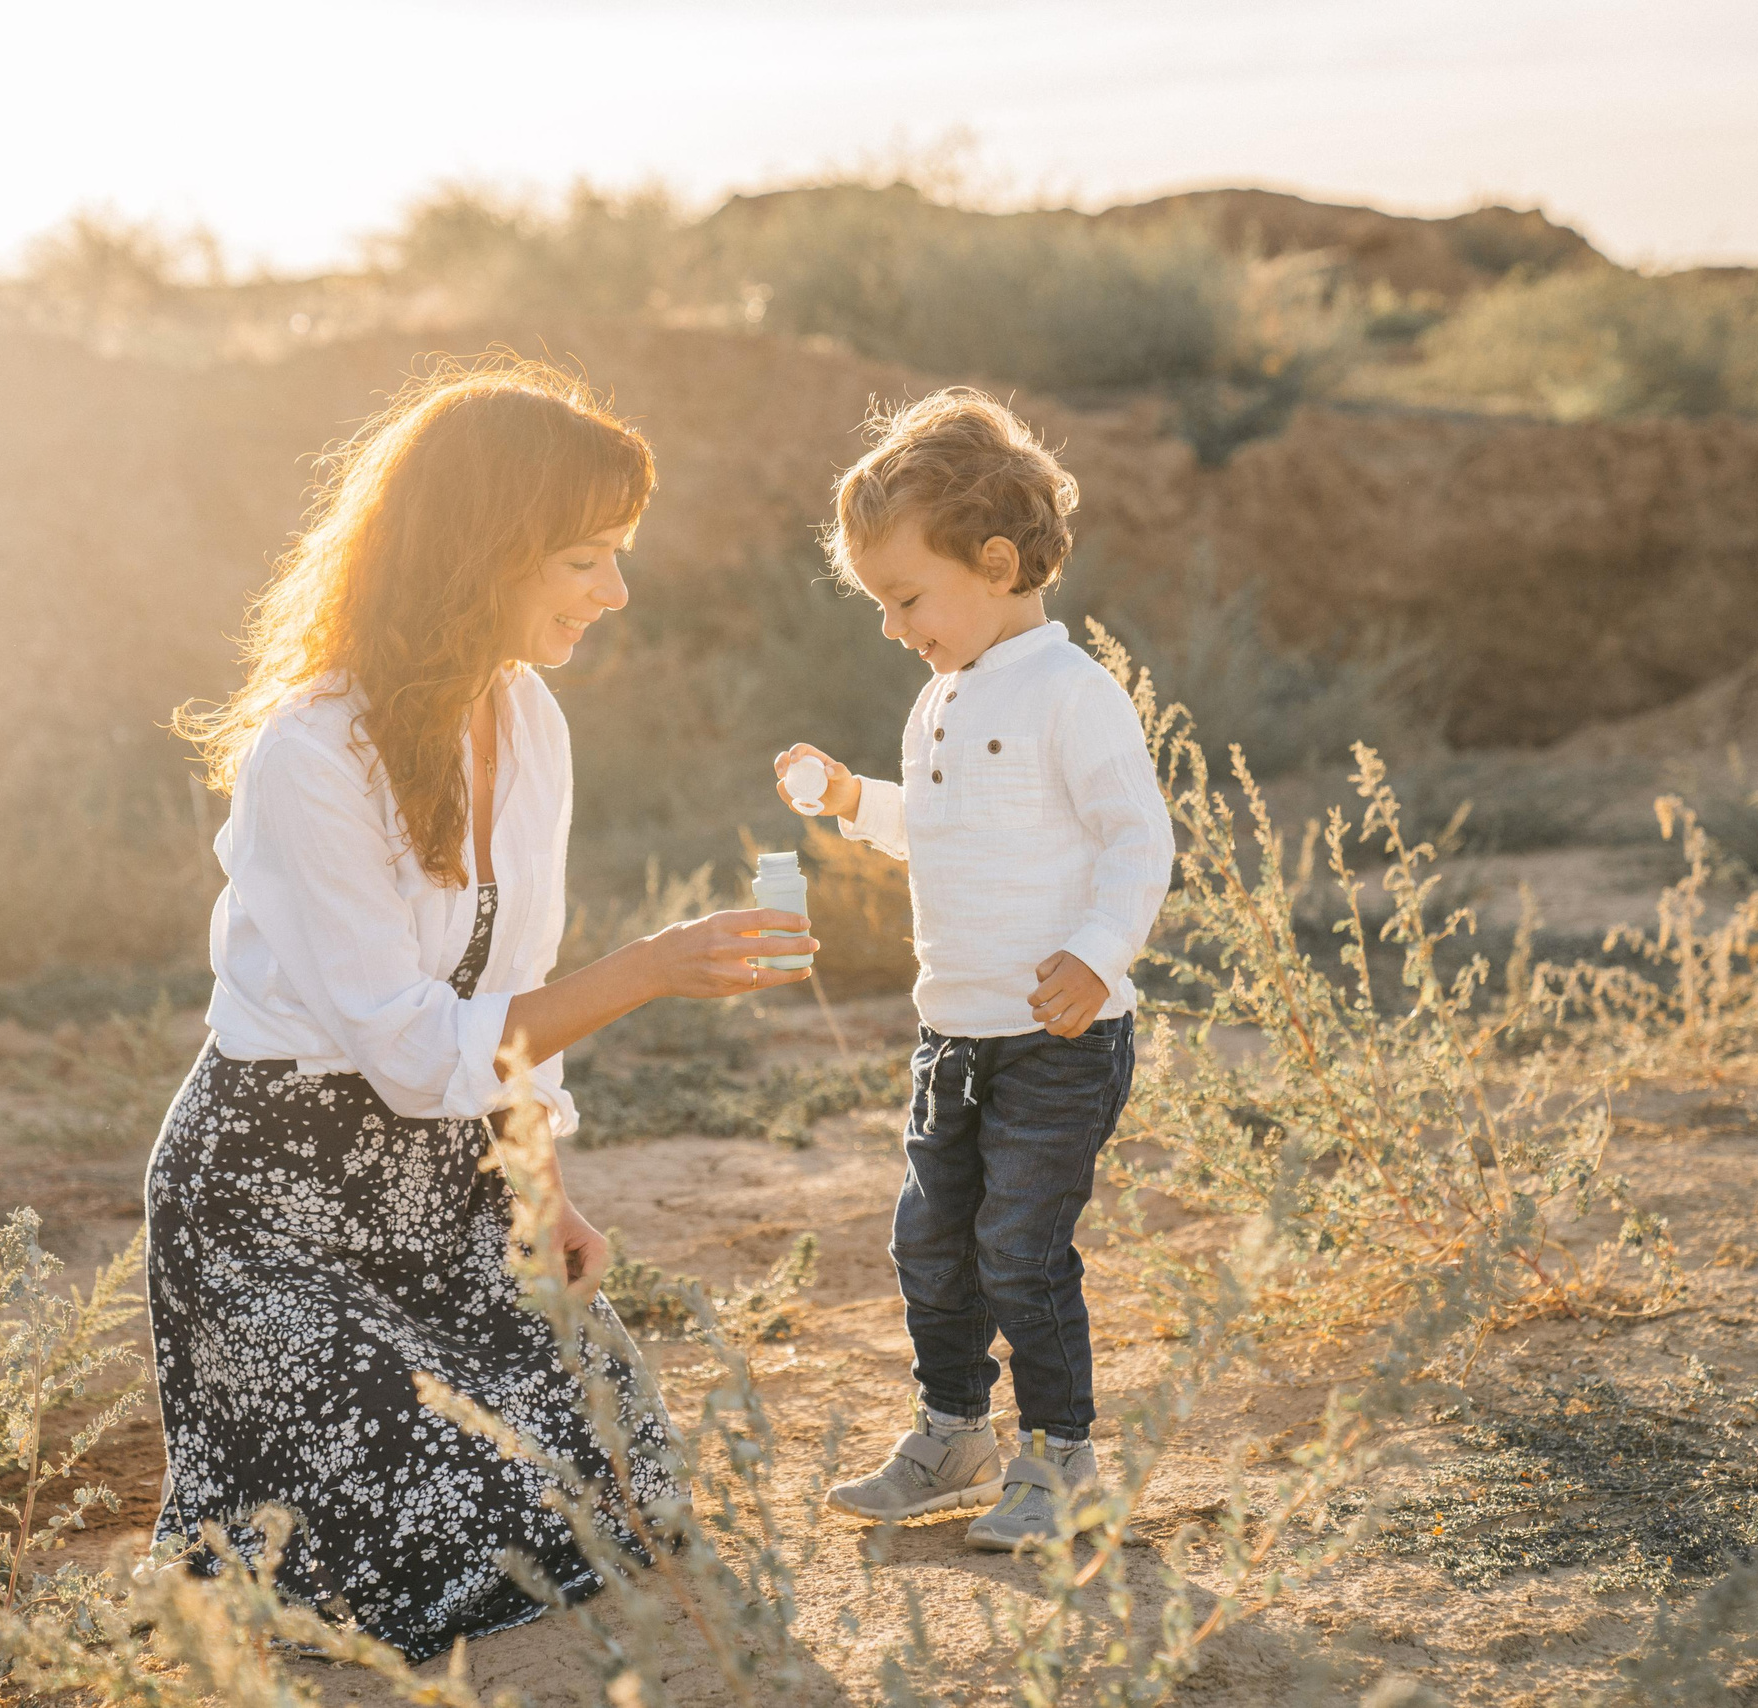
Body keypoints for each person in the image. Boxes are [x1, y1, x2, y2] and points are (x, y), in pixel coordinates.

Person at [152, 357, 817, 1658]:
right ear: (481, 552)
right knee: (426, 1556)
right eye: (585, 559)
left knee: (618, 1501)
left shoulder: (529, 718)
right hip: (273, 1197)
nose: (616, 593)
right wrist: (649, 968)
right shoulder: (310, 752)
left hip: (449, 1176)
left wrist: (541, 1190)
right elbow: (410, 1049)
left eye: (618, 556)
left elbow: (507, 990)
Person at [773, 388, 1173, 1552]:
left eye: (906, 598)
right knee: (930, 1241)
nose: (894, 627)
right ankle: (954, 1430)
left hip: (1057, 1038)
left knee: (1019, 1247)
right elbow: (940, 826)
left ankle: (1062, 1458)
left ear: (996, 562)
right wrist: (855, 802)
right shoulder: (938, 696)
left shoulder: (1071, 692)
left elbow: (1136, 840)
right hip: (952, 1033)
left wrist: (1099, 960)